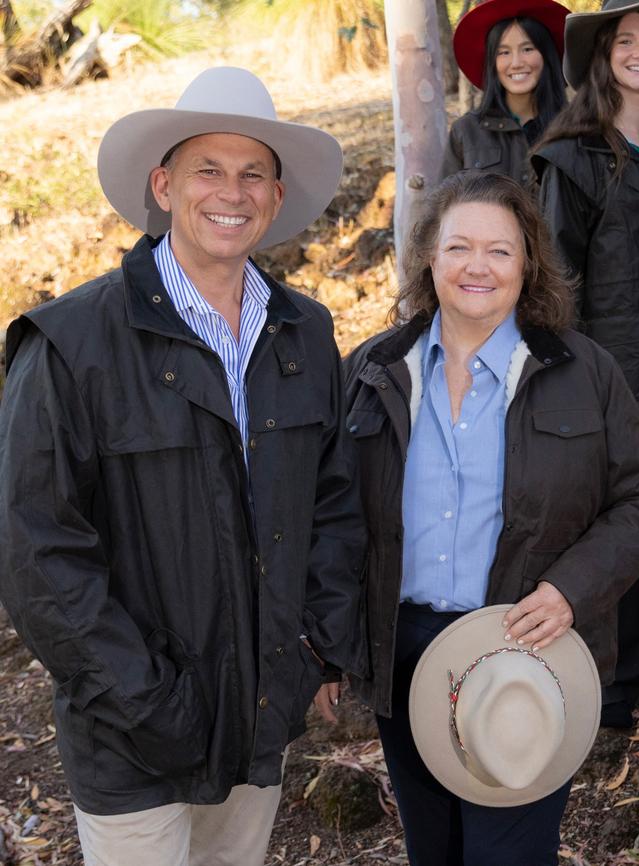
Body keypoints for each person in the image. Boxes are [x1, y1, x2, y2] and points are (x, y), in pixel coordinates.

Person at [0, 66, 367, 866]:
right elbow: (36, 550)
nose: (228, 192)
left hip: (261, 714)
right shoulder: (71, 343)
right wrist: (146, 700)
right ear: (164, 185)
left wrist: (312, 650)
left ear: (274, 197)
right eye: (208, 169)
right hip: (131, 736)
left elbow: (335, 505)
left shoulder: (304, 334)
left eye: (252, 174)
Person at [344, 170, 639, 866]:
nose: (476, 266)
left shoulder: (584, 371)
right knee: (435, 852)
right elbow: (331, 517)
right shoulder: (372, 370)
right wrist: (332, 642)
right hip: (405, 648)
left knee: (507, 855)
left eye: (500, 250)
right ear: (430, 257)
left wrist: (572, 589)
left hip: (527, 647)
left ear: (529, 264)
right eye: (458, 247)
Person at [532, 0, 639, 728]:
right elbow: (555, 290)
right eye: (628, 40)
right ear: (604, 55)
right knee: (624, 540)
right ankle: (607, 707)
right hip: (616, 390)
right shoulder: (574, 161)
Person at [439, 0, 568, 186]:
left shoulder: (575, 130)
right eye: (503, 52)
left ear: (547, 56)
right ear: (492, 63)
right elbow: (442, 208)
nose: (516, 63)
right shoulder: (466, 132)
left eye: (527, 49)